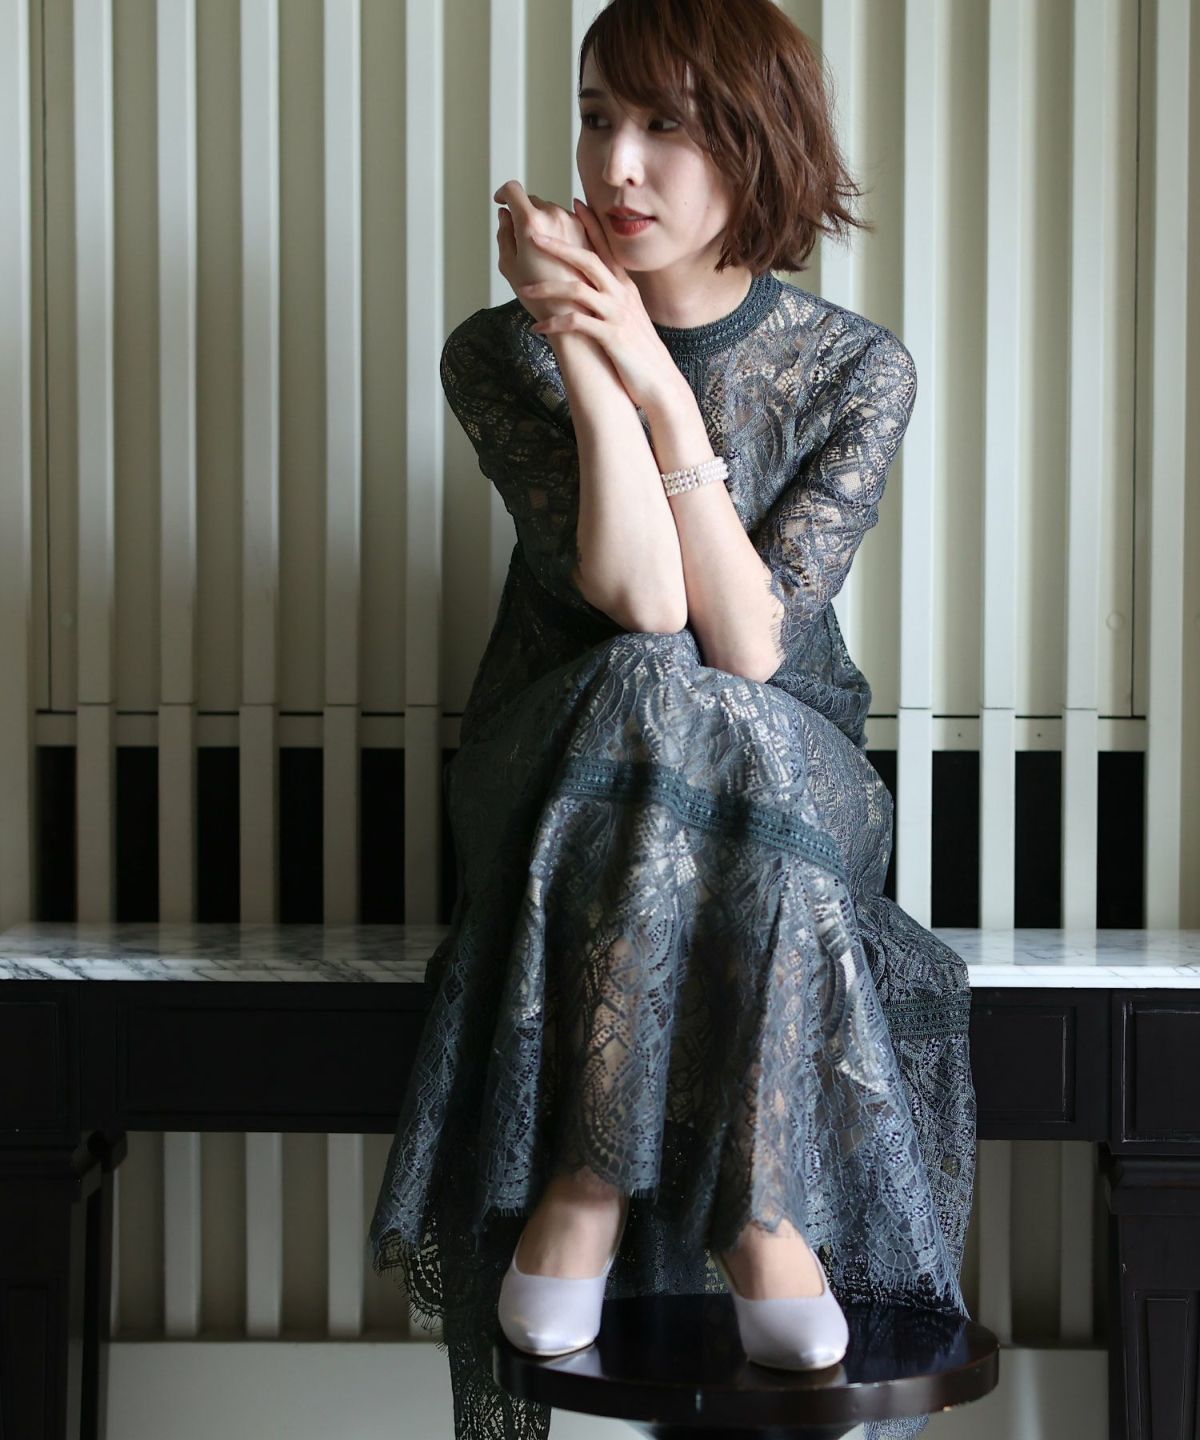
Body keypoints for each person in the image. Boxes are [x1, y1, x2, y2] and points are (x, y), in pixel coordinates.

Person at [366, 2, 977, 1437]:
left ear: (757, 145)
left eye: (665, 126)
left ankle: (598, 1187)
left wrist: (658, 380)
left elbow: (752, 645)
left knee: (713, 700)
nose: (616, 163)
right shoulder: (494, 354)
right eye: (596, 118)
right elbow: (641, 602)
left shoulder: (856, 369)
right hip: (556, 775)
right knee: (650, 679)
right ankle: (751, 1220)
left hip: (795, 784)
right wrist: (585, 349)